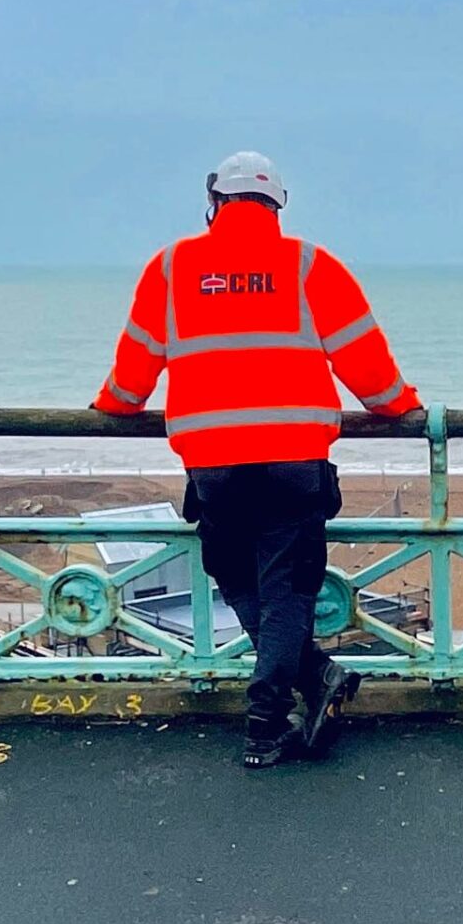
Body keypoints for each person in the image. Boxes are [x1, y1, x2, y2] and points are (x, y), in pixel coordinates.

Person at [94, 152, 421, 767]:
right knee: (287, 592)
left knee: (237, 578)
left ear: (215, 201)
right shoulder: (309, 266)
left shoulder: (170, 268)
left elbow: (130, 382)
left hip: (214, 467)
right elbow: (370, 372)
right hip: (295, 464)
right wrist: (402, 405)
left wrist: (110, 402)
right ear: (277, 205)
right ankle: (277, 713)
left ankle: (286, 704)